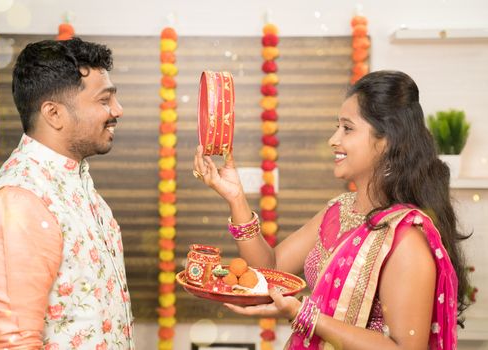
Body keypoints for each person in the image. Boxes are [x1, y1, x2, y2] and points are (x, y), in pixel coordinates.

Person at [193, 70, 469, 349]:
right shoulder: (338, 210)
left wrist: (304, 316)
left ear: (386, 142)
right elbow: (269, 270)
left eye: (347, 129)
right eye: (337, 127)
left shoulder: (406, 238)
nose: (333, 140)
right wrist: (236, 198)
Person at [0, 37, 134, 349]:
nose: (118, 110)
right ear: (53, 114)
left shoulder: (75, 186)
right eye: (104, 100)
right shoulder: (18, 203)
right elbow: (11, 344)